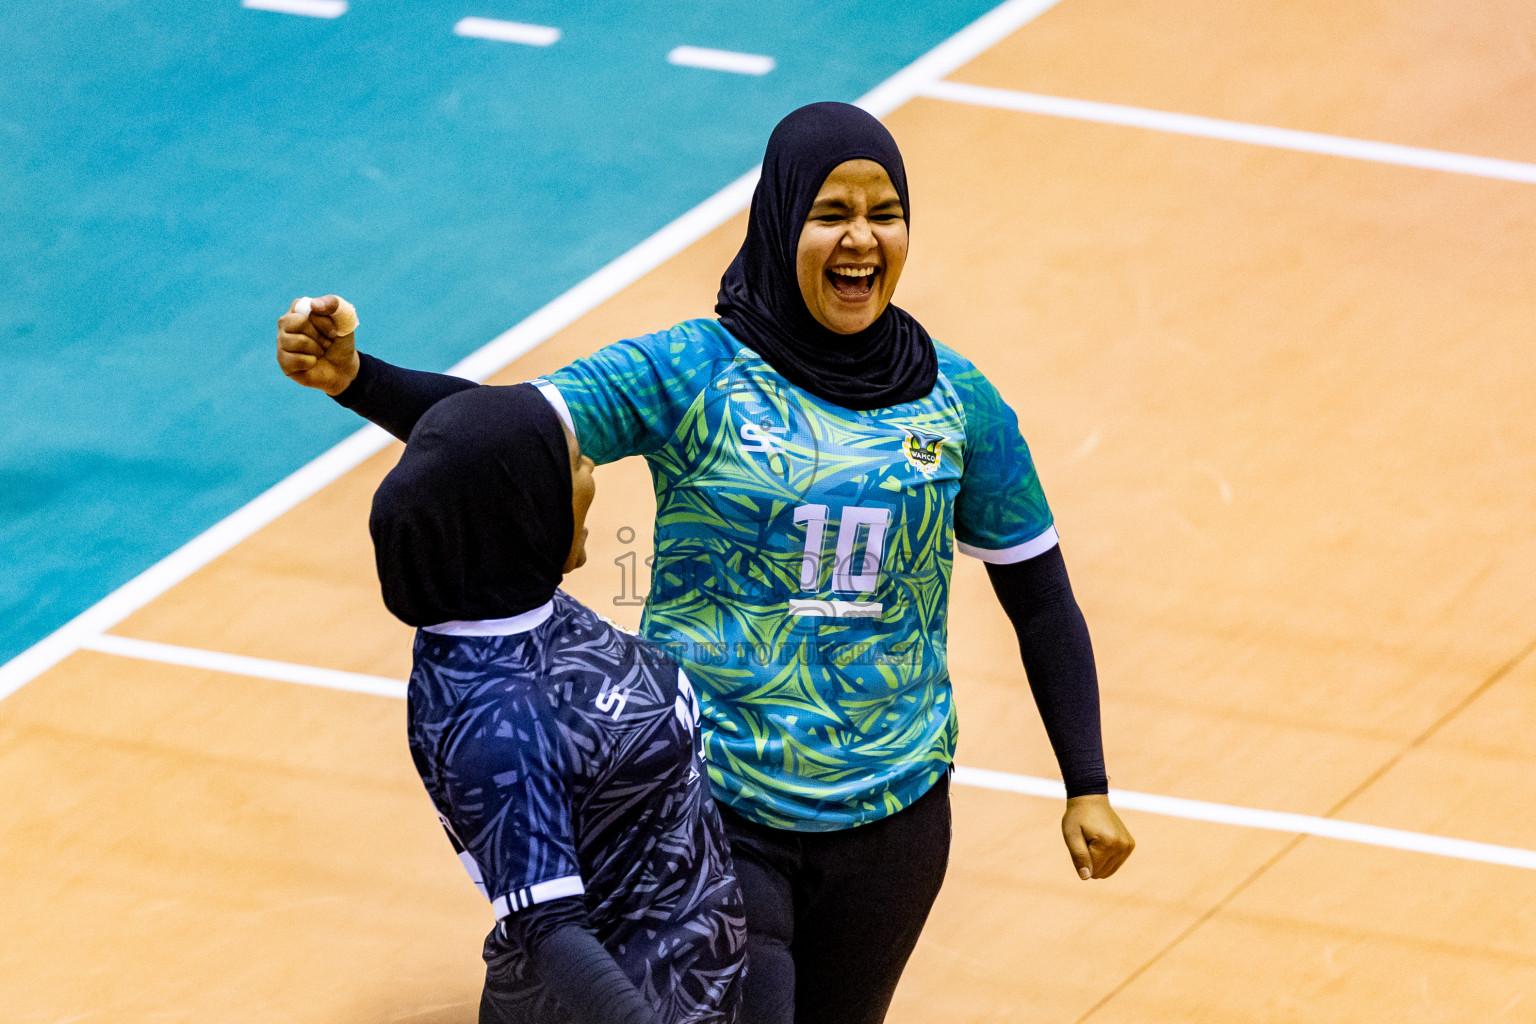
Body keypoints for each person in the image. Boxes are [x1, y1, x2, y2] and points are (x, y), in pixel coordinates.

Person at [277, 101, 1134, 1024]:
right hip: (715, 811)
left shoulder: (958, 403)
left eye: (884, 213)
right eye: (831, 213)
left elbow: (1040, 595)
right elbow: (510, 441)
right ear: (779, 219)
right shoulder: (694, 371)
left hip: (895, 820)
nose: (861, 240)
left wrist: (1086, 780)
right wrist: (359, 379)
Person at [367, 383, 745, 1023]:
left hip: (695, 981)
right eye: (571, 462)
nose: (590, 469)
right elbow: (551, 935)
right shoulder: (495, 721)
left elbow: (478, 442)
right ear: (521, 508)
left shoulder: (512, 601)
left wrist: (362, 381)